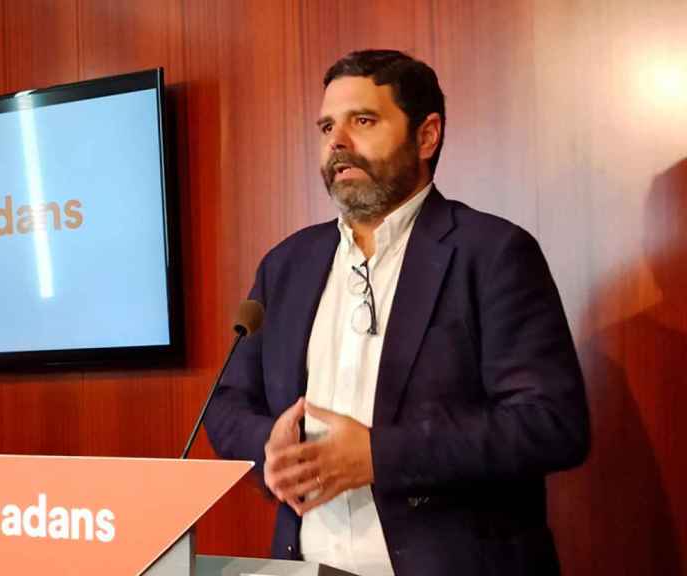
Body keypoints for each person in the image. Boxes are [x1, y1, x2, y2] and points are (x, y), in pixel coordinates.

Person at [203, 49, 590, 576]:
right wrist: (266, 447)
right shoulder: (286, 265)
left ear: (426, 136)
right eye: (326, 127)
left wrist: (380, 456)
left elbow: (551, 425)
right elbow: (227, 403)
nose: (337, 142)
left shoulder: (492, 252)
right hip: (304, 564)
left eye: (362, 121)